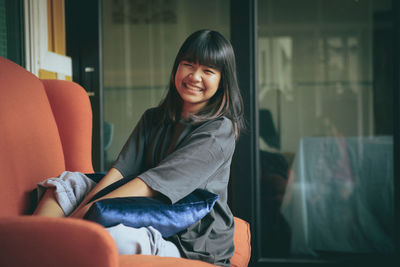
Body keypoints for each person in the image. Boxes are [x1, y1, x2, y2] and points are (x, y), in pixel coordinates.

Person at [33, 29, 244, 266]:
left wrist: (89, 212)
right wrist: (81, 210)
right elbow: (120, 171)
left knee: (108, 237)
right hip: (144, 210)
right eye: (188, 65)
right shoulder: (154, 118)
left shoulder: (219, 130)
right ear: (177, 67)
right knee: (68, 183)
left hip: (189, 241)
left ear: (222, 80)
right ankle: (39, 245)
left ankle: (53, 247)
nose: (195, 76)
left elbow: (152, 184)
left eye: (208, 71)